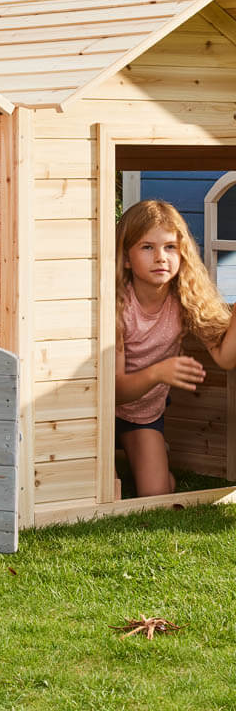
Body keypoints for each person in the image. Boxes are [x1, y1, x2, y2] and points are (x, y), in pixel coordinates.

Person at [115, 199, 236, 497]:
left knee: (157, 493)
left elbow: (225, 358)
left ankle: (143, 454)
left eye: (170, 247)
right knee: (109, 492)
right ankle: (120, 459)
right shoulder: (118, 306)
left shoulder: (185, 299)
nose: (161, 257)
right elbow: (115, 391)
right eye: (147, 247)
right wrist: (158, 372)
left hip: (143, 415)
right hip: (99, 413)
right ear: (127, 258)